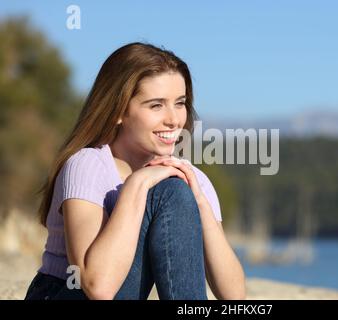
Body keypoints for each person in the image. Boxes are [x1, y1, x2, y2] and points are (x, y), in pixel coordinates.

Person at [24, 42, 246, 300]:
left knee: (176, 190)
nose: (174, 119)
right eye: (156, 105)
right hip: (63, 293)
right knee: (171, 192)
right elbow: (96, 286)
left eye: (180, 103)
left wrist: (199, 201)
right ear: (119, 111)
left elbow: (234, 296)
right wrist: (137, 185)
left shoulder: (185, 178)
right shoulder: (87, 165)